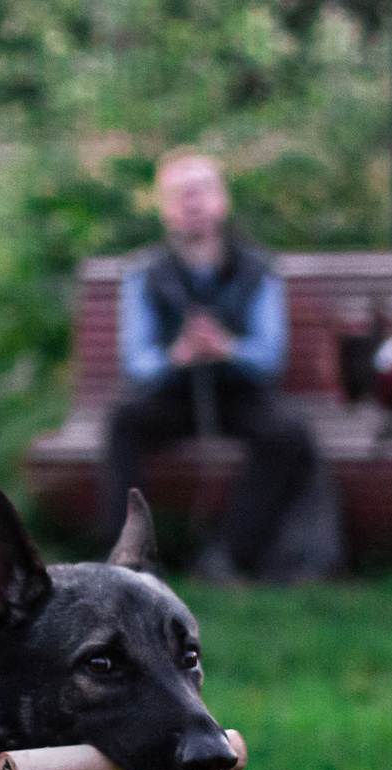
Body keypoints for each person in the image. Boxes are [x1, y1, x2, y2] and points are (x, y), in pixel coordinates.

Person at [102, 150, 317, 583]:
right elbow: (137, 361)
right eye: (180, 194)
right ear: (164, 210)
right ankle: (122, 562)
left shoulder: (260, 271)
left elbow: (270, 356)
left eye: (201, 191)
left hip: (239, 391)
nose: (192, 202)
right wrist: (175, 355)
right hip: (174, 391)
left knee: (290, 435)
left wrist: (226, 348)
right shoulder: (143, 275)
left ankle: (231, 553)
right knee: (123, 423)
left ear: (222, 202)